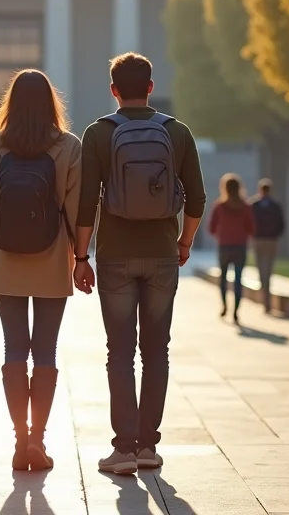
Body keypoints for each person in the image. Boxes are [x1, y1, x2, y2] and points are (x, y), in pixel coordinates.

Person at [72, 52, 206, 476]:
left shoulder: (98, 133)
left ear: (113, 90)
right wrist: (184, 241)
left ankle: (123, 448)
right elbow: (198, 199)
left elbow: (85, 203)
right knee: (156, 350)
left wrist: (80, 257)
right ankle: (149, 444)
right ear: (151, 87)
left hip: (114, 257)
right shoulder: (177, 132)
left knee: (120, 352)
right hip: (164, 254)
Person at [0, 69, 82, 472]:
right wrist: (82, 257)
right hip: (53, 259)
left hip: (5, 259)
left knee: (14, 348)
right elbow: (77, 213)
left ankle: (21, 441)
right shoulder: (69, 146)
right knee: (46, 349)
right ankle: (39, 438)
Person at [209, 175, 255, 322]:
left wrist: (223, 233)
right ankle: (236, 311)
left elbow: (211, 228)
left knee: (223, 278)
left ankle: (224, 307)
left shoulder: (219, 206)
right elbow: (251, 228)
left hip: (224, 246)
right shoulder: (246, 206)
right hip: (240, 246)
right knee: (238, 279)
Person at [250, 178, 285, 311]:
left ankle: (265, 297)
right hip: (270, 240)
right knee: (267, 270)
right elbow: (281, 224)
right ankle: (266, 298)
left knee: (262, 269)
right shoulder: (275, 206)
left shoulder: (254, 205)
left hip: (260, 240)